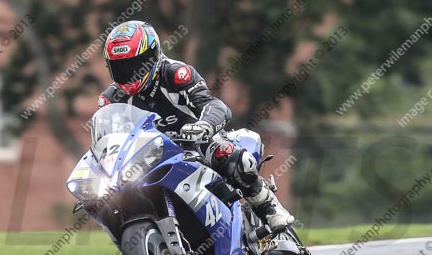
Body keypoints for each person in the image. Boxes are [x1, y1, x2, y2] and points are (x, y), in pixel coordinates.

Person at [99, 19, 294, 231]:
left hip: (194, 144)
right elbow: (106, 138)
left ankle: (268, 206)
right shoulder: (111, 98)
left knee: (226, 153)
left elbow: (213, 104)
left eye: (135, 64)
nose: (129, 73)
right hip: (147, 157)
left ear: (153, 55)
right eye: (121, 67)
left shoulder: (175, 73)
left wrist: (204, 126)